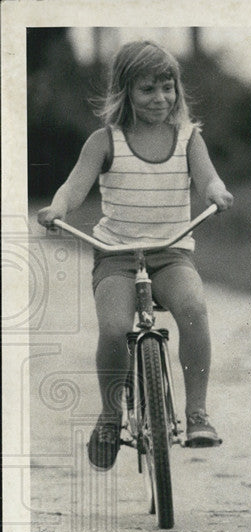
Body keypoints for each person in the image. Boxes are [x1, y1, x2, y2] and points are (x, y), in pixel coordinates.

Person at [37, 40, 234, 470]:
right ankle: (111, 417)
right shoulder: (104, 140)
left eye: (168, 88)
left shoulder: (187, 138)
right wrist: (58, 208)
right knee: (112, 329)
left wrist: (217, 193)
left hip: (171, 252)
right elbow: (73, 187)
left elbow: (208, 179)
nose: (160, 98)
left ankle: (197, 413)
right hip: (116, 255)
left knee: (194, 308)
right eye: (147, 90)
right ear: (124, 93)